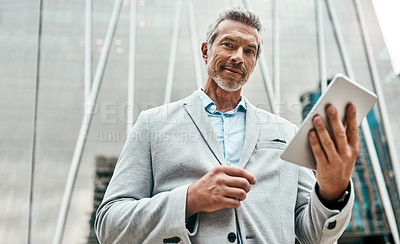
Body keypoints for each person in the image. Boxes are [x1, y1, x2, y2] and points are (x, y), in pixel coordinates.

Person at [95, 7, 359, 244]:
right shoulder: (153, 125)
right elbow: (109, 226)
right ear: (205, 50)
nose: (238, 57)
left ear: (254, 63)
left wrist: (331, 191)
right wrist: (189, 200)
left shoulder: (286, 132)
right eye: (228, 44)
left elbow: (314, 236)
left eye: (249, 51)